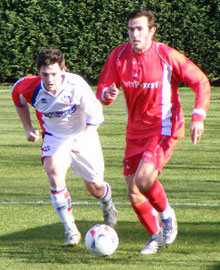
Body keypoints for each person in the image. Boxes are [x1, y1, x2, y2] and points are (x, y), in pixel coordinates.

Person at [96, 10, 210, 255]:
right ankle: (156, 235)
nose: (134, 34)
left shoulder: (165, 54)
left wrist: (198, 116)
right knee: (134, 192)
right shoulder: (118, 56)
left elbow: (200, 81)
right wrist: (107, 94)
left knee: (144, 179)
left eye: (139, 29)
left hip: (163, 128)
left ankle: (168, 217)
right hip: (134, 132)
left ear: (151, 31)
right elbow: (103, 89)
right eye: (130, 29)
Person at [12, 48, 117, 247]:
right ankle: (71, 230)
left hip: (83, 136)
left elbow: (95, 116)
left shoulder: (76, 85)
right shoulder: (28, 87)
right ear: (38, 71)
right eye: (45, 74)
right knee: (53, 172)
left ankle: (107, 203)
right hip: (54, 137)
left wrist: (84, 138)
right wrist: (28, 128)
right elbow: (17, 98)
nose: (50, 79)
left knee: (95, 187)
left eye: (54, 74)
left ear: (63, 70)